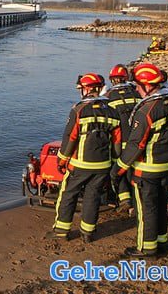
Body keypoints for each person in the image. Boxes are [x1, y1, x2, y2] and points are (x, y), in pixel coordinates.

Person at [113, 62, 168, 257]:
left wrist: (118, 169)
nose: (137, 90)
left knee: (146, 209)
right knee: (161, 203)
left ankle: (146, 247)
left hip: (146, 169)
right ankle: (161, 240)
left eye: (138, 86)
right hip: (167, 165)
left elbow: (136, 145)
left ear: (148, 86)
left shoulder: (146, 111)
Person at [48, 73, 121, 242]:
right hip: (102, 165)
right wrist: (114, 163)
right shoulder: (112, 111)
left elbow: (70, 138)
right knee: (92, 197)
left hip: (79, 165)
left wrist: (61, 160)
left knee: (68, 195)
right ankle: (87, 233)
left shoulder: (79, 110)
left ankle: (61, 231)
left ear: (86, 89)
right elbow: (117, 142)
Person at [104, 64, 141, 211]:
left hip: (119, 142)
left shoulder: (109, 97)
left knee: (117, 170)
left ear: (112, 80)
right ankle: (137, 197)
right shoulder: (137, 93)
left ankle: (124, 198)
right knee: (134, 169)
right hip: (138, 141)